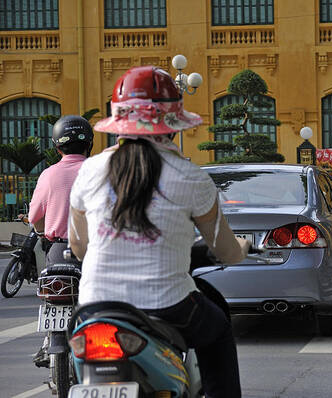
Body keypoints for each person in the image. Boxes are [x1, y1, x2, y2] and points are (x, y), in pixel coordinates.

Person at [68, 66, 250, 398]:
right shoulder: (189, 176)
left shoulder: (90, 170)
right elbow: (225, 251)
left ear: (119, 120)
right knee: (219, 332)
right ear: (171, 123)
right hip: (168, 306)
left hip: (94, 305)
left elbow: (79, 246)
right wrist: (243, 247)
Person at [27, 115, 93, 368]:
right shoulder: (100, 170)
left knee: (53, 297)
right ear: (89, 144)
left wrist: (43, 231)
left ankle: (47, 343)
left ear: (57, 147)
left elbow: (35, 217)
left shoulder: (48, 174)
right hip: (93, 252)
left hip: (57, 250)